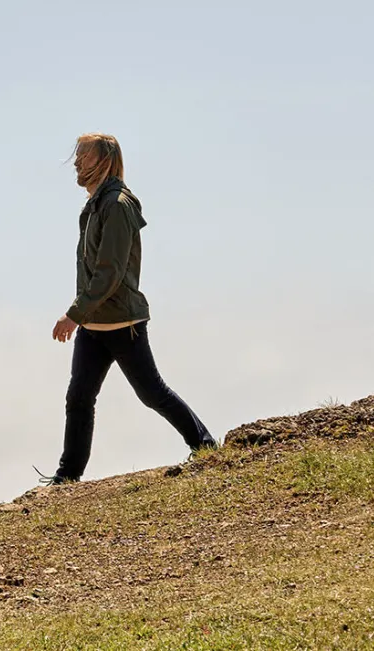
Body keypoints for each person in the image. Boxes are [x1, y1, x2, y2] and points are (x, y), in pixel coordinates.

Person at [43, 133, 217, 485]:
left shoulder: (118, 205)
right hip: (94, 326)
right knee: (79, 397)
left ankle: (205, 446)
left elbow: (110, 273)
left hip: (124, 324)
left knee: (152, 393)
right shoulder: (95, 205)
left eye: (84, 156)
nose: (76, 162)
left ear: (104, 160)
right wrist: (83, 316)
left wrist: (73, 314)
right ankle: (67, 476)